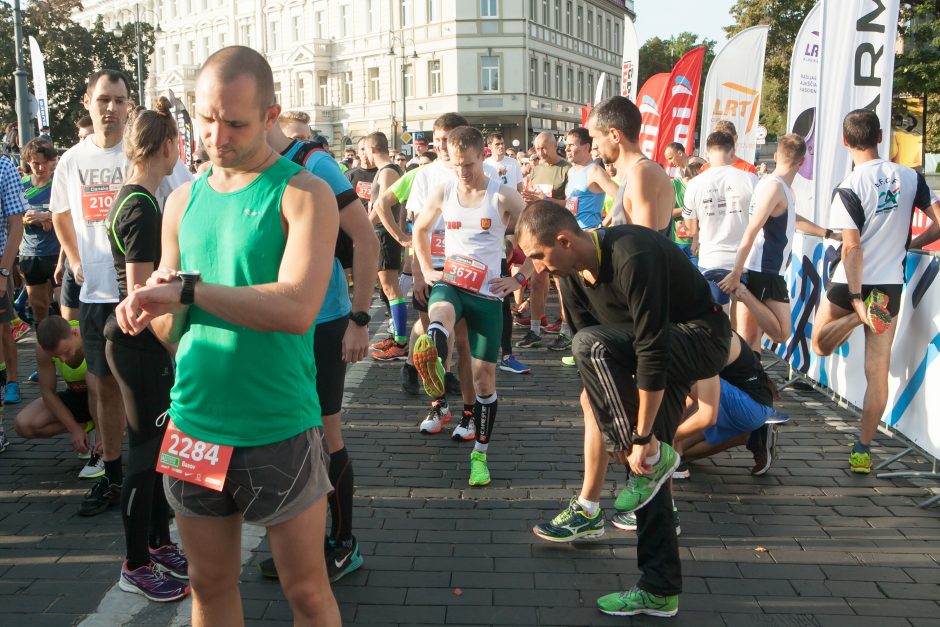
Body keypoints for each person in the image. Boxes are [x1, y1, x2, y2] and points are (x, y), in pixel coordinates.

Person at [115, 46, 341, 626]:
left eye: (235, 122)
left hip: (277, 423)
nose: (217, 135)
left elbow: (296, 307)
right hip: (195, 423)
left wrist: (188, 289)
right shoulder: (182, 201)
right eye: (207, 119)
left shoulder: (303, 193)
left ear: (271, 115)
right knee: (208, 587)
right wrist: (154, 303)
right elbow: (173, 332)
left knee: (306, 590)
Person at [517, 202, 730, 618]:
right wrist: (612, 414)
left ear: (564, 240)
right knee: (650, 476)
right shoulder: (571, 277)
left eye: (540, 256)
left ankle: (646, 451)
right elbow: (594, 362)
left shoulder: (631, 252)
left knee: (593, 354)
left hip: (700, 340)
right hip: (651, 356)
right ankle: (659, 588)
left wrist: (638, 435)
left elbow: (649, 346)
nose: (538, 269)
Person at [50, 69, 191, 516]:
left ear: (130, 106)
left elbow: (187, 197)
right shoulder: (73, 159)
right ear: (87, 102)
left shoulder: (145, 153)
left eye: (119, 100)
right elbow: (60, 213)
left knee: (153, 392)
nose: (110, 107)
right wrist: (74, 258)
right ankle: (113, 472)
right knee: (103, 388)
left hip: (138, 293)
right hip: (95, 294)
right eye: (103, 99)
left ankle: (154, 476)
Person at [255, 107, 378, 584]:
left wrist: (360, 320)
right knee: (287, 437)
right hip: (275, 321)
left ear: (267, 113)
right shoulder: (251, 167)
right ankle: (303, 548)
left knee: (327, 435)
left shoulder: (314, 163)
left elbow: (365, 239)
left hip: (324, 320)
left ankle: (344, 543)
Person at [812, 109, 940, 474]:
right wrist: (914, 243)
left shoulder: (850, 186)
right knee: (877, 371)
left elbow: (851, 249)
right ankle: (863, 450)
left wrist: (854, 302)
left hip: (851, 282)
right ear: (881, 137)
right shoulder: (910, 178)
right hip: (887, 286)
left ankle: (856, 317)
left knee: (820, 343)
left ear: (845, 141)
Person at [104, 99, 190, 601]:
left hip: (142, 343)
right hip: (139, 343)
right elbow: (141, 298)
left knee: (159, 450)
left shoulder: (139, 197)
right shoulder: (140, 204)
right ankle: (135, 563)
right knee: (145, 453)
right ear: (167, 146)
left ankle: (157, 543)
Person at [412, 126, 525, 485]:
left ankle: (480, 455)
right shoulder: (444, 189)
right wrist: (428, 268)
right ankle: (433, 355)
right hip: (453, 283)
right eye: (457, 165)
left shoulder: (502, 195)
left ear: (483, 158)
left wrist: (520, 278)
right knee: (440, 313)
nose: (463, 172)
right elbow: (420, 229)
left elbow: (540, 233)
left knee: (483, 381)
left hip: (488, 296)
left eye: (470, 165)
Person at [718, 134, 830, 350]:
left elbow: (791, 219)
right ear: (802, 162)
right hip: (764, 268)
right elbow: (752, 229)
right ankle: (742, 292)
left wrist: (827, 232)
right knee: (780, 333)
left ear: (776, 156)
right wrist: (737, 272)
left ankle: (750, 381)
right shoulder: (774, 187)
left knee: (749, 340)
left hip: (762, 268)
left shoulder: (774, 186)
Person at [681, 131, 757, 309]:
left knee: (717, 325)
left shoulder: (694, 184)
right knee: (746, 329)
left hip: (711, 261)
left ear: (707, 154)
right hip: (746, 261)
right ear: (732, 152)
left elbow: (691, 230)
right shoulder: (751, 179)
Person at [588, 96, 674, 234]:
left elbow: (644, 245)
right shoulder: (641, 171)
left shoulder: (641, 173)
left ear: (614, 135)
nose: (594, 146)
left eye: (595, 137)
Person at [517, 131, 571, 348]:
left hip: (560, 233)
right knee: (537, 281)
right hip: (539, 233)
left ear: (554, 145)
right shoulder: (536, 169)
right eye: (537, 149)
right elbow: (533, 196)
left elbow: (572, 202)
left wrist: (546, 200)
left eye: (544, 148)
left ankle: (566, 331)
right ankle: (535, 330)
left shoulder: (566, 169)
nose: (540, 153)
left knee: (561, 284)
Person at [14, 316, 94, 452]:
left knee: (93, 377)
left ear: (74, 333)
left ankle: (103, 439)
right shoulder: (43, 349)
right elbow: (48, 392)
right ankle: (87, 426)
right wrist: (74, 428)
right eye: (56, 356)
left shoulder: (92, 336)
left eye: (66, 351)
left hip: (107, 399)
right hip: (77, 396)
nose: (62, 360)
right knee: (23, 424)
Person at [365, 132, 410, 361]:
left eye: (364, 150)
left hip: (385, 235)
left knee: (391, 287)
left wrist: (363, 227)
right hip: (382, 234)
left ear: (373, 149)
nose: (364, 156)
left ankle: (401, 342)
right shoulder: (385, 171)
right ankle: (396, 336)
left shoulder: (389, 171)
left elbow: (382, 207)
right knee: (387, 288)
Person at [0, 151, 28, 449]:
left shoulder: (3, 164)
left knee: (2, 335)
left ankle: (11, 379)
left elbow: (16, 223)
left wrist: (4, 271)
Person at [19, 139, 60, 329]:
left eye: (45, 162)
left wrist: (46, 216)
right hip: (31, 253)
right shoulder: (22, 185)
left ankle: (70, 355)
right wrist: (30, 219)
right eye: (36, 163)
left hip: (57, 253)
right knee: (39, 309)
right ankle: (44, 353)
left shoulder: (58, 184)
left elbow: (71, 214)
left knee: (65, 308)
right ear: (28, 161)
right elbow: (14, 217)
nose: (41, 167)